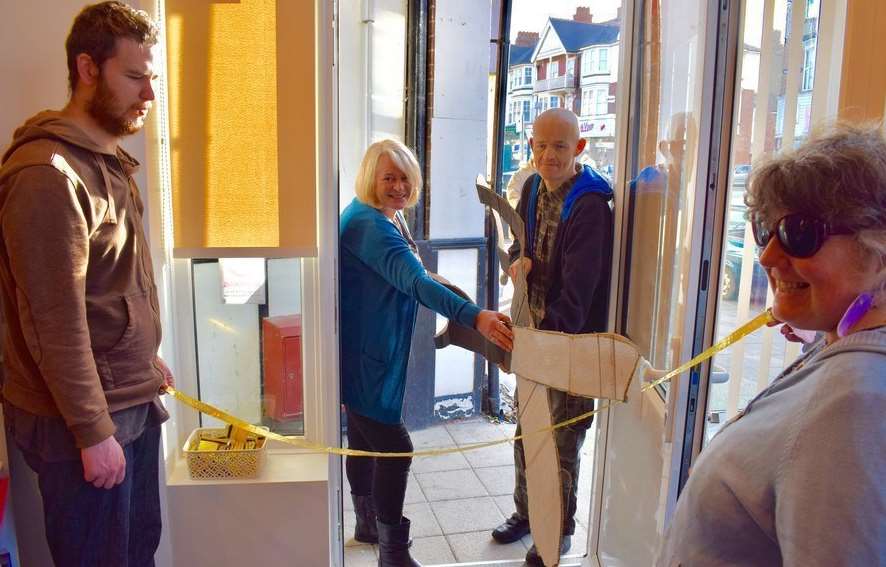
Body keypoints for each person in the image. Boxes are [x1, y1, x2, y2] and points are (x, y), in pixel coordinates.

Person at [656, 123, 886, 566]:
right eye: (766, 229)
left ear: (877, 248)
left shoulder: (854, 404)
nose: (766, 257)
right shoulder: (844, 354)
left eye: (799, 234)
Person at [0, 3, 172, 565]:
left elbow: (114, 286)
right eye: (135, 76)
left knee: (138, 549)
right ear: (87, 69)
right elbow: (54, 318)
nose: (148, 94)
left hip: (126, 399)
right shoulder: (48, 175)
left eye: (152, 78)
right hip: (84, 423)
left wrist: (143, 363)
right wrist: (92, 430)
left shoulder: (108, 159)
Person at [340, 139, 514, 567]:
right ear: (370, 179)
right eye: (389, 178)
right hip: (368, 356)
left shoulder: (375, 215)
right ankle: (393, 553)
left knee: (363, 441)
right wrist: (476, 317)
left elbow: (407, 273)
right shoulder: (371, 225)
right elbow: (416, 282)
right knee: (396, 448)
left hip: (368, 351)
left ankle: (366, 526)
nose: (399, 187)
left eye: (405, 178)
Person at [491, 109, 614, 566]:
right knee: (527, 435)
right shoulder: (530, 187)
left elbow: (579, 293)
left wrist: (544, 345)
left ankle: (556, 533)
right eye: (540, 145)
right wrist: (518, 261)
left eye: (559, 146)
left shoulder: (590, 207)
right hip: (533, 338)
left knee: (562, 443)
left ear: (579, 148)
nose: (548, 155)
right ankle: (527, 514)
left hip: (569, 346)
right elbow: (522, 244)